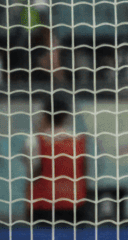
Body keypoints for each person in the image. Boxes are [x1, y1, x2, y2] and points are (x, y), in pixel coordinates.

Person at [26, 91, 88, 223]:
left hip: (43, 204)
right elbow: (84, 170)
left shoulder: (35, 140)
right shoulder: (79, 140)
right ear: (67, 116)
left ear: (45, 115)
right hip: (74, 202)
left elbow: (33, 173)